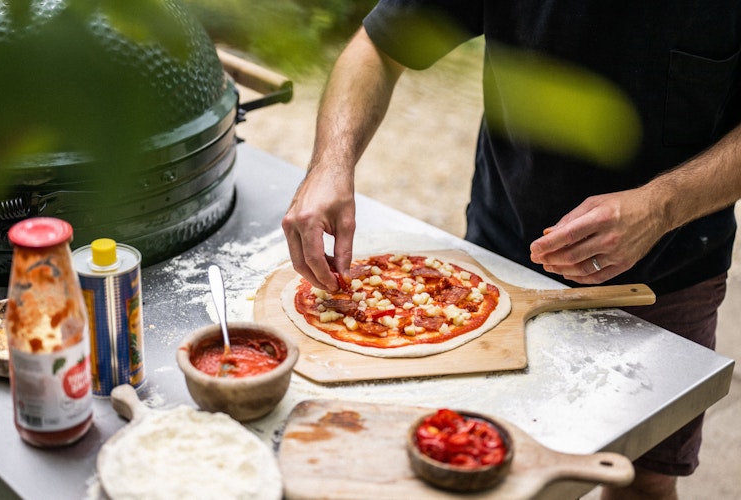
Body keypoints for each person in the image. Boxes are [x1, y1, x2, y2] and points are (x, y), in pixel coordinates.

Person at [282, 2, 740, 499]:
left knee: (642, 478)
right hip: (494, 257)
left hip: (671, 270)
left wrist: (662, 206)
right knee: (486, 467)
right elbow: (377, 48)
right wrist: (329, 164)